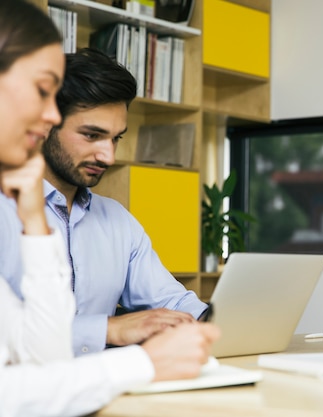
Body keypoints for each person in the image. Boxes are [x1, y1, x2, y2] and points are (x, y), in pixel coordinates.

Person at [0, 2, 220, 416]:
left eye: (116, 138)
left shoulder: (115, 219)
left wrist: (220, 322)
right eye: (91, 134)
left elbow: (39, 348)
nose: (108, 154)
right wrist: (114, 333)